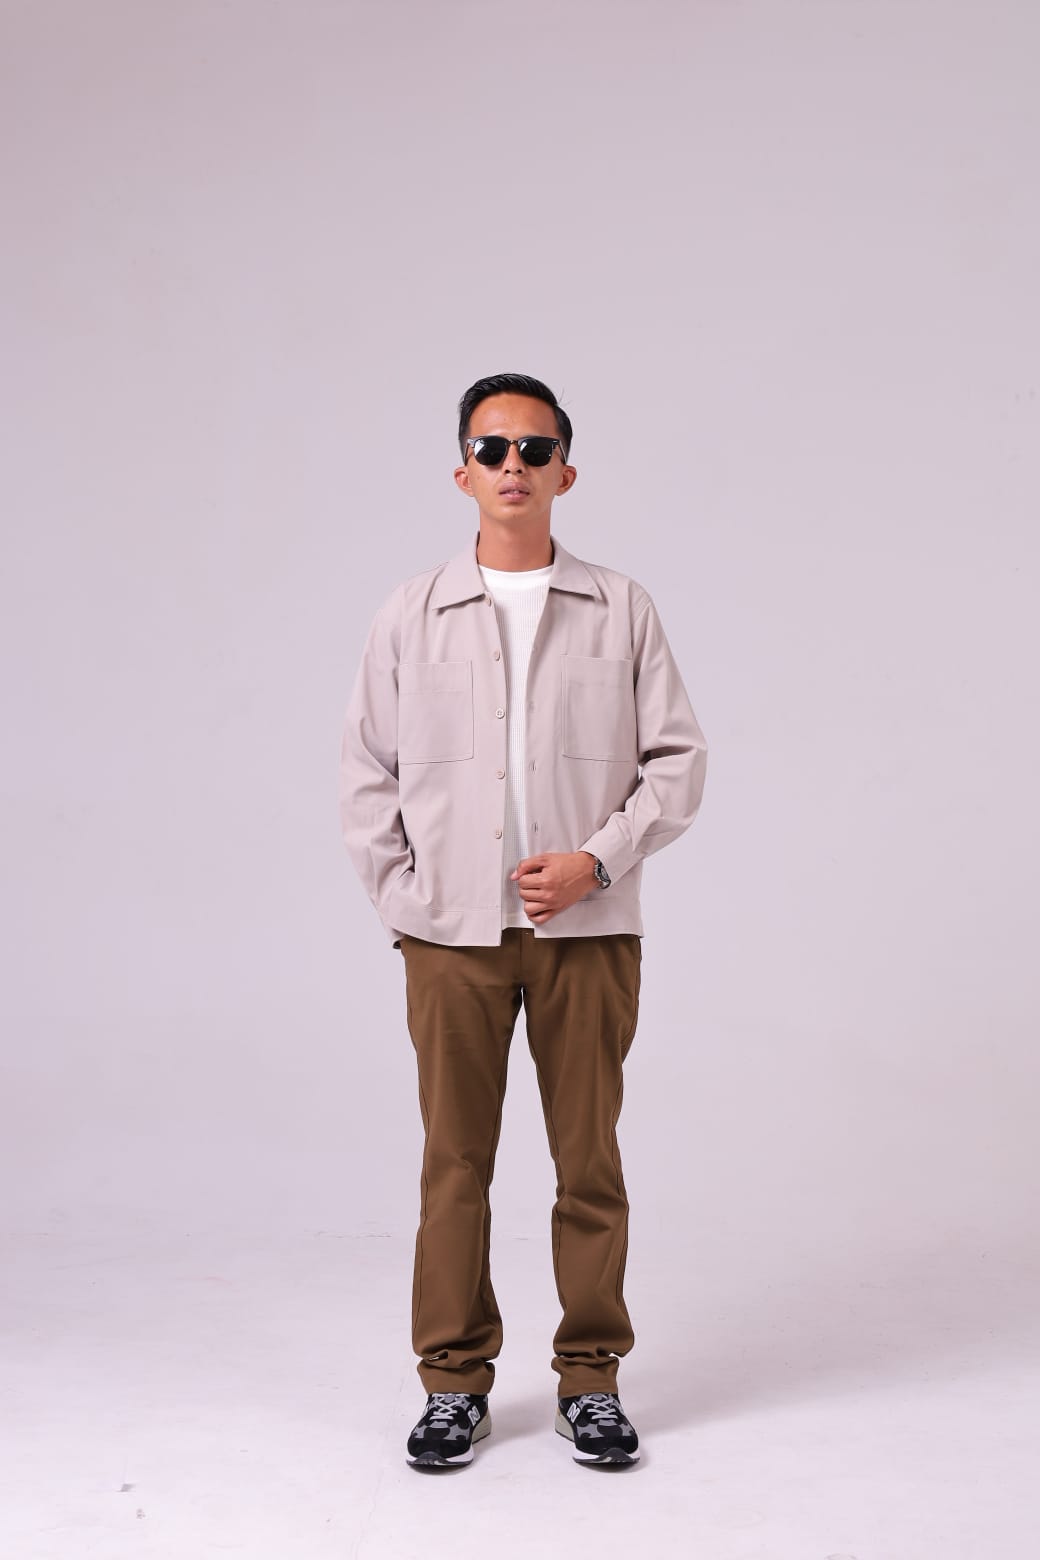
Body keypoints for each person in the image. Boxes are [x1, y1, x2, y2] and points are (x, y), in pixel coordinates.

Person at [340, 372, 707, 1470]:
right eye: (492, 449)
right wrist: (409, 904)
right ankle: (452, 1384)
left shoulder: (620, 608)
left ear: (565, 473)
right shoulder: (410, 613)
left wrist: (597, 862)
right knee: (453, 1165)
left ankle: (589, 1379)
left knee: (587, 1162)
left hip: (586, 939)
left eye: (534, 449)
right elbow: (367, 773)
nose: (513, 466)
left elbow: (677, 763)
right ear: (462, 472)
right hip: (449, 943)